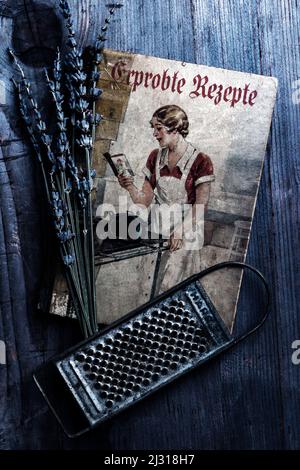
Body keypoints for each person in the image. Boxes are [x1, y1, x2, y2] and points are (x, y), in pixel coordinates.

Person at [118, 104, 215, 293]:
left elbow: (201, 205)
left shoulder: (201, 160)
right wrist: (129, 186)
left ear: (175, 128)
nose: (154, 134)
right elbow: (144, 201)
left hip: (185, 232)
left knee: (172, 286)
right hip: (156, 229)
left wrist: (179, 231)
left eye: (159, 128)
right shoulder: (155, 157)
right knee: (146, 287)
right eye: (153, 128)